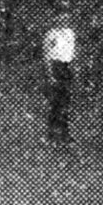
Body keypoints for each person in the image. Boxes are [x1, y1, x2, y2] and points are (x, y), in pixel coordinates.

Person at [41, 10, 77, 142]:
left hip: (66, 68)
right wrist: (50, 74)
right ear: (56, 18)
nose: (64, 20)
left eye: (67, 18)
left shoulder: (70, 34)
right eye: (61, 18)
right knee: (55, 103)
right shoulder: (51, 34)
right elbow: (47, 56)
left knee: (65, 103)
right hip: (55, 67)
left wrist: (71, 70)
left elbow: (70, 53)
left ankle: (65, 133)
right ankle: (51, 134)